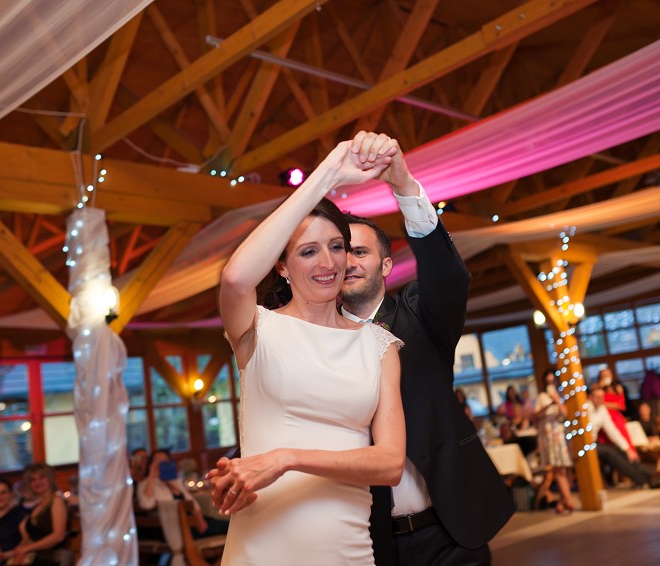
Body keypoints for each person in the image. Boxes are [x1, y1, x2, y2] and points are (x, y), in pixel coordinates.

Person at [208, 133, 407, 565]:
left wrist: (286, 459)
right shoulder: (257, 329)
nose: (328, 263)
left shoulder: (378, 345)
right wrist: (328, 175)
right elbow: (235, 279)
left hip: (347, 551)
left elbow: (390, 463)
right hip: (262, 550)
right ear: (282, 265)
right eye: (308, 251)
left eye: (336, 247)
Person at [338, 132, 513, 565]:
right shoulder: (319, 337)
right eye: (341, 252)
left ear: (386, 265)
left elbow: (449, 277)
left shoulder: (419, 314)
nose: (349, 261)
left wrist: (402, 184)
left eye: (360, 251)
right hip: (368, 543)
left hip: (449, 532)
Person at [588, 386, 660, 489]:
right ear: (590, 397)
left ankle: (650, 475)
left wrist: (627, 449)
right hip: (585, 445)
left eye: (601, 397)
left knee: (622, 451)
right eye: (597, 397)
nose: (599, 400)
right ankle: (644, 480)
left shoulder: (602, 410)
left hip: (595, 443)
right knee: (610, 453)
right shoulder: (585, 409)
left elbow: (613, 431)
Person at [138, 449, 227, 538]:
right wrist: (151, 476)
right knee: (225, 527)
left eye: (164, 461)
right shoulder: (145, 484)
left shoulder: (174, 481)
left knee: (225, 524)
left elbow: (191, 501)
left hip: (194, 520)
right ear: (151, 464)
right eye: (157, 461)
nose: (161, 464)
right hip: (177, 527)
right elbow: (147, 504)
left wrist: (200, 519)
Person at [533, 369, 575, 515]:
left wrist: (556, 400)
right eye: (548, 381)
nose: (550, 383)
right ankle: (568, 500)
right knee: (558, 469)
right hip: (549, 437)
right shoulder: (542, 397)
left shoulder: (561, 396)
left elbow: (565, 414)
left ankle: (562, 503)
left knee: (565, 468)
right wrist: (549, 403)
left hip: (560, 436)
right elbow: (536, 416)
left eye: (552, 381)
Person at [12, 463, 69, 566]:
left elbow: (58, 536)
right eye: (33, 480)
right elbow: (29, 538)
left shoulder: (56, 500)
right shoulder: (36, 506)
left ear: (50, 479)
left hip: (49, 559)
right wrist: (19, 551)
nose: (37, 482)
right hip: (34, 558)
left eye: (42, 477)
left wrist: (27, 549)